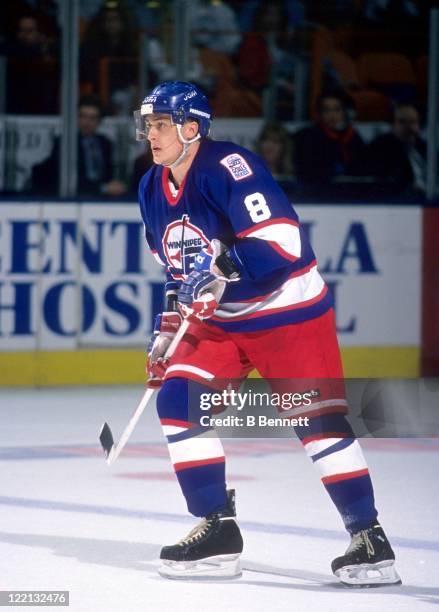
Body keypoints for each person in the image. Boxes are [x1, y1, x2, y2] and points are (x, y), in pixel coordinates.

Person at [135, 81, 401, 585]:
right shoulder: (152, 186)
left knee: (316, 423)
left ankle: (369, 539)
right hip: (222, 322)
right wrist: (169, 328)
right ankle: (217, 529)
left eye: (162, 124)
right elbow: (177, 269)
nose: (152, 134)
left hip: (287, 313)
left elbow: (281, 243)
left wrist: (220, 271)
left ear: (192, 129)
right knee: (177, 402)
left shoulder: (230, 167)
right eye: (148, 124)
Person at [32, 96, 126, 197]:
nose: (87, 122)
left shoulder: (105, 143)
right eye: (83, 116)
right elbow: (66, 179)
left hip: (103, 200)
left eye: (92, 118)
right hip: (76, 198)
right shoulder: (65, 143)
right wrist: (103, 188)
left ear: (99, 121)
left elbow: (109, 174)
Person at [294, 90, 367, 187]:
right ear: (320, 113)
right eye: (326, 110)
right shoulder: (308, 137)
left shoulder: (354, 138)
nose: (332, 116)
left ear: (346, 112)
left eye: (337, 109)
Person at [367, 103, 427, 195]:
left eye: (413, 121)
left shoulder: (425, 148)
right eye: (402, 122)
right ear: (393, 124)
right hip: (396, 201)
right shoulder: (380, 148)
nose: (408, 126)